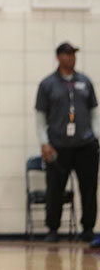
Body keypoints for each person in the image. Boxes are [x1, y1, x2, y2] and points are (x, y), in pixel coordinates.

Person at [35, 41, 99, 243]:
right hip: (58, 145)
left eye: (73, 54)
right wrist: (44, 142)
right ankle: (52, 229)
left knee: (88, 189)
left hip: (85, 145)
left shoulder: (85, 82)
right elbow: (40, 116)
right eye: (67, 54)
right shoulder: (47, 84)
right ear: (58, 57)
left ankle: (88, 228)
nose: (71, 58)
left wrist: (95, 136)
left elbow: (94, 112)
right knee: (55, 189)